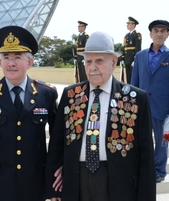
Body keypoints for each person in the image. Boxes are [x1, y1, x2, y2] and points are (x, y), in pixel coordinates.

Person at [46, 31, 156, 201]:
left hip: (118, 182)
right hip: (77, 179)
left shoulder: (135, 98)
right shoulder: (71, 95)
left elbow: (146, 154)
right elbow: (57, 144)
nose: (92, 67)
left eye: (99, 61)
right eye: (88, 61)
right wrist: (53, 189)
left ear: (113, 63)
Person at [0, 25, 58, 201]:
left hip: (33, 183)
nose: (11, 63)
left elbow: (56, 142)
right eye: (6, 57)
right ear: (0, 62)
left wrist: (54, 186)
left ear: (30, 62)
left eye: (18, 57)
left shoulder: (46, 93)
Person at [131, 19, 169, 183]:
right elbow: (134, 83)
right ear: (150, 34)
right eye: (155, 31)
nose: (159, 33)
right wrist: (131, 103)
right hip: (141, 106)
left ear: (167, 34)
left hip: (163, 108)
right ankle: (142, 168)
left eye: (162, 31)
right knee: (139, 139)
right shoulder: (140, 56)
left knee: (162, 142)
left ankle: (159, 171)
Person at [121, 16, 142, 83]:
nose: (127, 25)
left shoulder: (137, 34)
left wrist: (135, 59)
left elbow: (138, 48)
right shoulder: (126, 35)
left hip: (132, 58)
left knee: (133, 76)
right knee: (128, 76)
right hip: (127, 58)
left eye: (129, 23)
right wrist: (122, 58)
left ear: (133, 25)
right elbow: (124, 48)